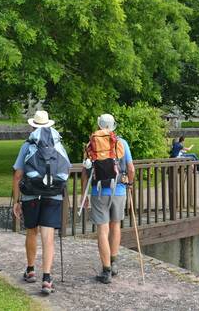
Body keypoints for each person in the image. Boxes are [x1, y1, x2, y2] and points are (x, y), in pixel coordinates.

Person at [12, 110, 70, 296]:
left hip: (31, 196)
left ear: (33, 126)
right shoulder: (58, 144)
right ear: (49, 125)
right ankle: (47, 279)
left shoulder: (27, 145)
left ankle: (30, 270)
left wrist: (16, 200)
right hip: (53, 195)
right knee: (48, 236)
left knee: (31, 231)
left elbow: (18, 174)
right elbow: (65, 169)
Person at [83, 113, 135, 284]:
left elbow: (86, 171)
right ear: (113, 126)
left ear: (99, 126)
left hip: (99, 192)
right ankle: (113, 263)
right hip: (118, 191)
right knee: (116, 227)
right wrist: (130, 183)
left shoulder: (92, 143)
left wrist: (85, 194)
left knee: (102, 231)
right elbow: (130, 167)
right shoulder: (121, 142)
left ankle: (105, 271)